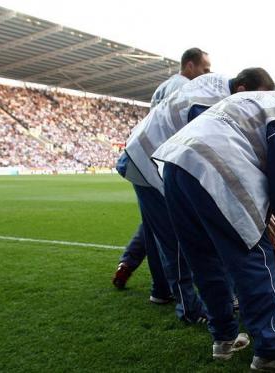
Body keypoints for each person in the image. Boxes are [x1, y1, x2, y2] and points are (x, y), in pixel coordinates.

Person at [153, 84, 275, 369]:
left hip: (175, 165)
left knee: (204, 260)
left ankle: (224, 338)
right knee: (254, 258)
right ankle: (270, 349)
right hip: (216, 167)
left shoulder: (253, 100)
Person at [118, 69, 275, 323]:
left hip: (145, 153)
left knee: (156, 228)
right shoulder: (212, 104)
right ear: (243, 91)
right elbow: (212, 154)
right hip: (150, 159)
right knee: (177, 238)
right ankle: (189, 309)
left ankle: (162, 292)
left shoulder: (215, 85)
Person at [113, 47, 211, 293]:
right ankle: (166, 289)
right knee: (169, 231)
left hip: (144, 161)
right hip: (160, 165)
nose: (207, 74)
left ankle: (134, 267)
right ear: (189, 66)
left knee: (151, 224)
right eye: (204, 68)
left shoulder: (163, 87)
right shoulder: (185, 88)